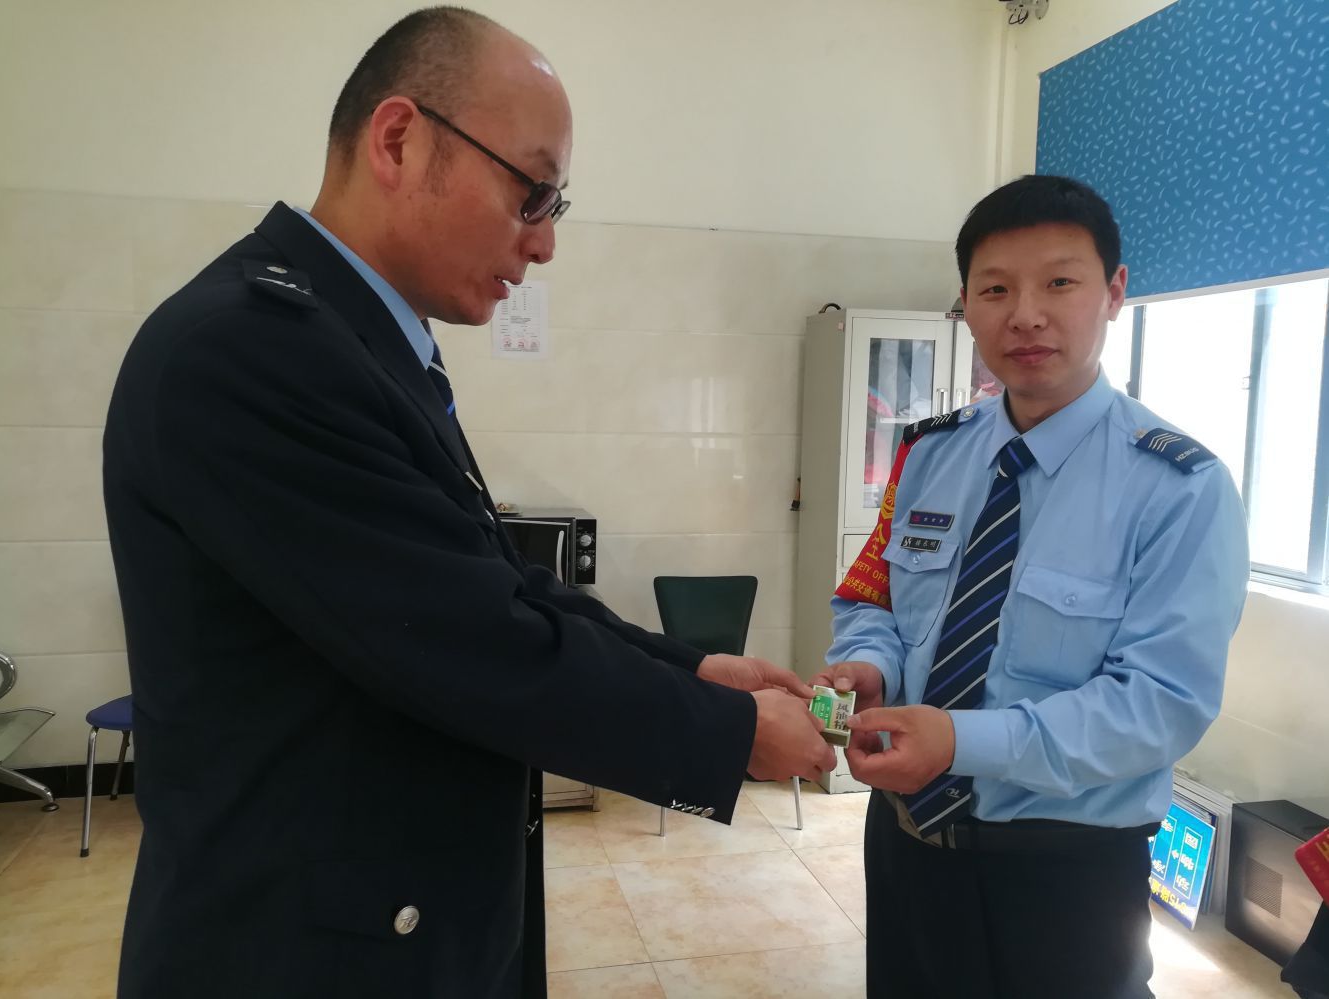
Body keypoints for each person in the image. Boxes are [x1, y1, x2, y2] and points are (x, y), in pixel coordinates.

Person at [102, 8, 835, 998]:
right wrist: (729, 731)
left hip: (393, 922)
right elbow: (474, 643)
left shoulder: (358, 345)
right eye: (531, 193)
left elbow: (492, 584)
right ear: (399, 141)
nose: (545, 245)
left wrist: (694, 667)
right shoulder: (247, 351)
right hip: (303, 951)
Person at [812, 174, 1249, 999]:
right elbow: (873, 599)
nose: (1024, 315)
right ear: (965, 303)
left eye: (1058, 282)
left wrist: (960, 741)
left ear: (1113, 292)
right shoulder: (929, 454)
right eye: (994, 289)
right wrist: (869, 664)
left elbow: (1158, 705)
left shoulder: (1179, 487)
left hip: (1064, 875)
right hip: (905, 845)